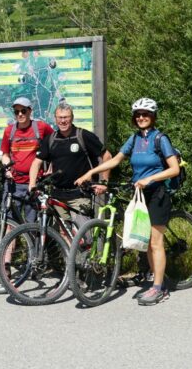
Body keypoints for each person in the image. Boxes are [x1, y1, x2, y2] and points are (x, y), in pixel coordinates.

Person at [76, 98, 180, 306]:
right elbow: (115, 160)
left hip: (157, 193)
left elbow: (174, 169)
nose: (141, 118)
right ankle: (156, 282)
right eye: (138, 115)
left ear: (153, 117)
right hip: (139, 194)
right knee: (146, 242)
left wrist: (150, 179)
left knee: (155, 242)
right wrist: (90, 173)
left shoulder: (160, 139)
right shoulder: (134, 139)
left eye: (145, 114)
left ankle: (159, 289)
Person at [29, 102, 110, 227]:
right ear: (55, 119)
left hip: (80, 195)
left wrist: (104, 182)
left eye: (66, 117)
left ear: (72, 118)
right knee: (62, 233)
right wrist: (32, 184)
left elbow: (107, 156)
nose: (63, 121)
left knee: (83, 234)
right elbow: (36, 162)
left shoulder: (83, 136)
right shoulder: (50, 139)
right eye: (60, 118)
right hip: (57, 195)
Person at [0, 97, 54, 223]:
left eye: (23, 111)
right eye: (16, 112)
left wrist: (53, 164)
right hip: (14, 184)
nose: (20, 114)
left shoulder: (41, 127)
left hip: (35, 183)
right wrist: (7, 169)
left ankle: (32, 237)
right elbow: (5, 155)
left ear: (30, 111)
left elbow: (55, 143)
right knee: (9, 222)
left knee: (32, 223)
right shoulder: (9, 131)